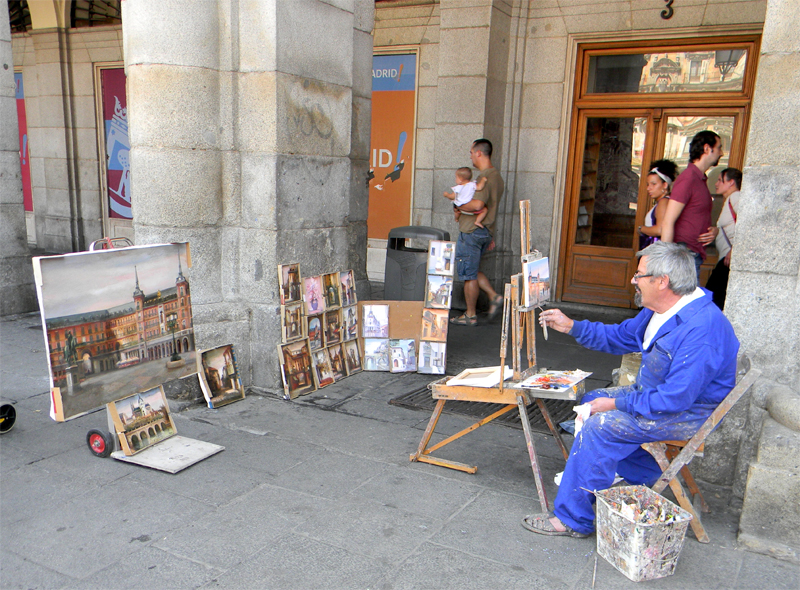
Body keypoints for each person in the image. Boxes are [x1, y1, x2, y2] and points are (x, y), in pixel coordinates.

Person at [521, 241, 739, 538]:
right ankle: (642, 474)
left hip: (686, 412)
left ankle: (573, 519)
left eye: (639, 275)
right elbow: (621, 336)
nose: (633, 280)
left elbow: (674, 399)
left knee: (601, 425)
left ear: (662, 282)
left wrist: (614, 406)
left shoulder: (702, 328)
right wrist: (572, 326)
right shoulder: (661, 309)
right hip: (658, 396)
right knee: (593, 399)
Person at [449, 139, 504, 326]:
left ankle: (470, 315)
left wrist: (457, 204)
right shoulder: (496, 177)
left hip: (472, 230)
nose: (470, 155)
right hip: (483, 230)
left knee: (468, 274)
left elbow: (478, 205)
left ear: (479, 153)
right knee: (471, 269)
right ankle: (494, 296)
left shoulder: (486, 177)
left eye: (471, 152)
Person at [660, 130, 724, 280]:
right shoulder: (688, 178)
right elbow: (668, 220)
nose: (721, 153)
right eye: (719, 147)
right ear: (707, 148)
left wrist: (714, 231)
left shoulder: (698, 179)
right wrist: (665, 260)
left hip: (691, 253)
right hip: (683, 254)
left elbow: (696, 214)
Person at [705, 167, 742, 310]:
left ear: (731, 182)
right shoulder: (729, 200)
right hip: (726, 258)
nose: (716, 184)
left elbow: (745, 224)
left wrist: (734, 250)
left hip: (728, 259)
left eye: (720, 180)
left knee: (712, 297)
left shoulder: (736, 197)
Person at [637, 159, 679, 250]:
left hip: (655, 251)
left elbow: (660, 229)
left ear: (665, 185)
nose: (649, 188)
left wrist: (641, 229)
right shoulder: (663, 202)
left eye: (653, 184)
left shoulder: (663, 202)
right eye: (648, 184)